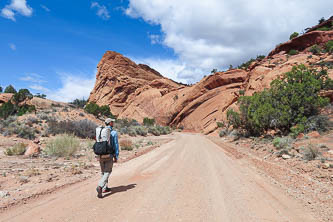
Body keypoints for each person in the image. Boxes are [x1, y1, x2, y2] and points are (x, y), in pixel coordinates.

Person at [96, 118, 119, 198]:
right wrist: (116, 156)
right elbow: (115, 145)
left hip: (100, 154)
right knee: (108, 172)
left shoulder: (101, 131)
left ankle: (105, 188)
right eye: (112, 122)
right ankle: (100, 186)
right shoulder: (113, 132)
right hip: (109, 155)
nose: (113, 123)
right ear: (110, 123)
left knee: (103, 171)